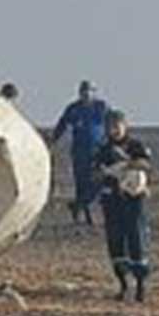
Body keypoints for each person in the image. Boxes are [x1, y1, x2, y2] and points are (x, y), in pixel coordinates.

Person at [92, 110, 153, 301]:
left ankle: (141, 285)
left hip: (134, 200)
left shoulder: (135, 145)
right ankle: (123, 284)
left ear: (125, 125)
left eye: (118, 125)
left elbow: (146, 165)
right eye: (111, 126)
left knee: (137, 240)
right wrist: (106, 174)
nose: (115, 130)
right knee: (116, 242)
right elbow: (95, 173)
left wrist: (128, 165)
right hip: (112, 201)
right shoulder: (103, 149)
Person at [50, 80, 111, 225]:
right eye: (83, 91)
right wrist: (53, 140)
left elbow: (112, 123)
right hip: (79, 151)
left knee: (98, 181)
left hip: (98, 151)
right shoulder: (73, 109)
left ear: (94, 92)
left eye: (89, 90)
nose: (86, 93)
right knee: (81, 182)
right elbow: (62, 125)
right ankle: (84, 213)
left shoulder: (102, 107)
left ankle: (79, 204)